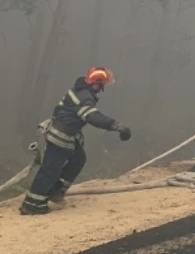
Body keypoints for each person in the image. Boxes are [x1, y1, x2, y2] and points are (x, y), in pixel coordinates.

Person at [20, 68, 131, 215]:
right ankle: (32, 204)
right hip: (60, 135)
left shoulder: (80, 90)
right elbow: (92, 117)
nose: (101, 88)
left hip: (69, 134)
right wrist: (117, 126)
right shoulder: (85, 97)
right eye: (102, 84)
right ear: (97, 84)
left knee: (78, 159)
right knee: (50, 170)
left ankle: (56, 192)